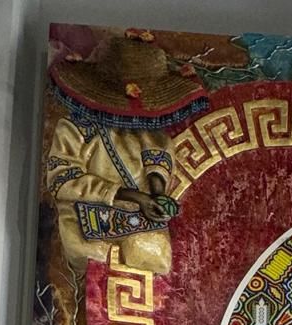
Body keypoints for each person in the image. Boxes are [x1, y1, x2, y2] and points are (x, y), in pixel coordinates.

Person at [47, 32, 208, 276]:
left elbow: (159, 150)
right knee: (100, 263)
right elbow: (63, 180)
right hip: (84, 220)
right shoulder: (73, 128)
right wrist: (132, 196)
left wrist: (156, 193)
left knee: (156, 256)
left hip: (140, 218)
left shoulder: (146, 126)